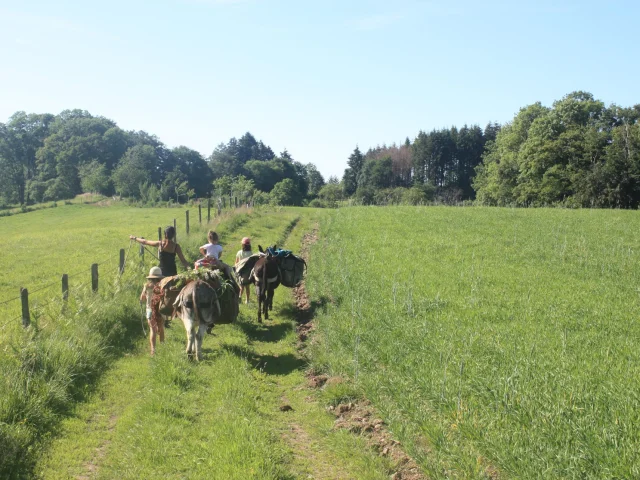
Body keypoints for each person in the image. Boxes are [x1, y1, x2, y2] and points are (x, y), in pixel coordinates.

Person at [139, 266, 164, 356]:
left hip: (149, 310)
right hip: (160, 309)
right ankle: (163, 345)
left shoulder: (146, 286)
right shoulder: (162, 286)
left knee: (152, 329)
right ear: (159, 278)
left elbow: (142, 298)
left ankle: (153, 350)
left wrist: (146, 297)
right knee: (161, 327)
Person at [235, 237, 253, 304]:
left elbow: (236, 263)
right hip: (247, 273)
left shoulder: (239, 252)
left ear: (242, 245)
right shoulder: (251, 253)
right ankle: (247, 301)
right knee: (247, 287)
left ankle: (239, 297)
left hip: (240, 272)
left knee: (241, 286)